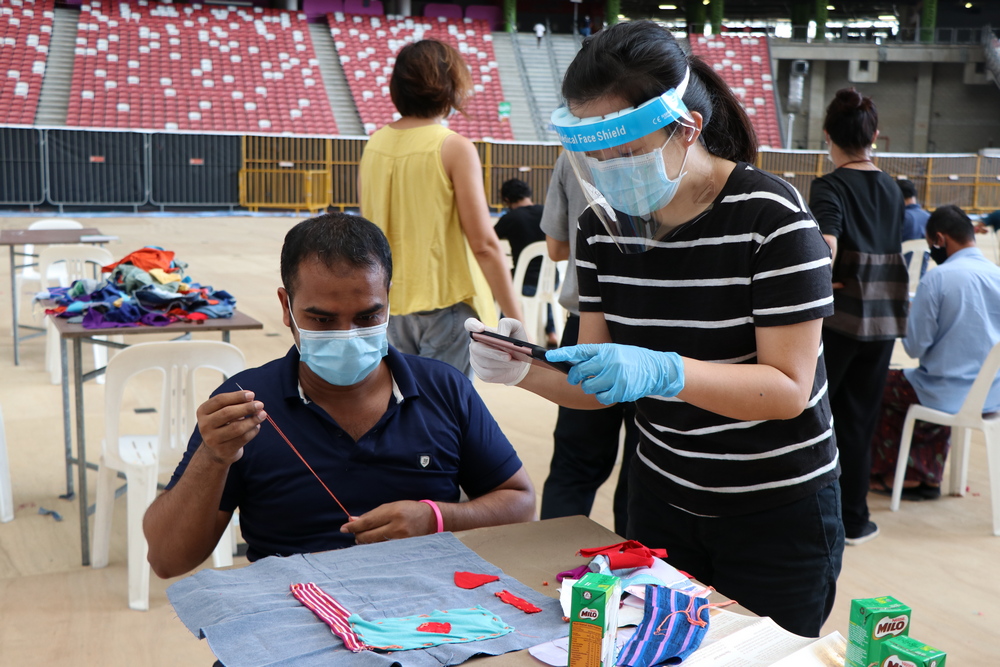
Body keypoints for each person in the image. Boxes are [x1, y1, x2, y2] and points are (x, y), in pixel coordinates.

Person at [466, 21, 841, 638]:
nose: (612, 170)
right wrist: (524, 370)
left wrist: (666, 371)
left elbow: (787, 389)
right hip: (660, 498)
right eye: (598, 157)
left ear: (687, 127)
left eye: (629, 152)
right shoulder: (600, 230)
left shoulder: (772, 220)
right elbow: (597, 379)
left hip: (775, 511)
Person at [143, 213, 535, 577]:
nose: (347, 335)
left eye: (367, 317)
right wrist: (212, 458)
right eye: (322, 319)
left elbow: (519, 503)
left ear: (388, 301)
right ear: (287, 306)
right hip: (292, 620)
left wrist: (437, 519)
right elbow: (167, 559)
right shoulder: (243, 406)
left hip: (426, 618)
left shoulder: (445, 389)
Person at [359, 39, 523, 379]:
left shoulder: (374, 144)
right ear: (451, 85)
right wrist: (517, 321)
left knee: (404, 417)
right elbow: (485, 244)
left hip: (389, 306)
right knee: (445, 422)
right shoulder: (453, 147)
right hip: (448, 304)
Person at [809, 88, 909, 547]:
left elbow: (826, 244)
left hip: (843, 317)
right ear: (873, 137)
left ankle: (817, 513)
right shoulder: (891, 185)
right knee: (861, 418)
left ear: (827, 135)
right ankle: (856, 518)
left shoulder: (830, 185)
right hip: (886, 316)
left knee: (821, 414)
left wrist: (815, 281)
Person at [538, 151, 638, 537]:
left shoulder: (573, 156)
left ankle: (550, 563)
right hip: (654, 327)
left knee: (574, 461)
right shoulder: (669, 143)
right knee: (643, 463)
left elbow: (556, 248)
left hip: (584, 323)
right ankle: (639, 571)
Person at [871, 205, 1000, 499]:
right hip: (991, 394)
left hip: (944, 393)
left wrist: (908, 317)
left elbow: (915, 348)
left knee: (877, 385)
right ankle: (925, 473)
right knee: (919, 384)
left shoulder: (937, 279)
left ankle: (897, 475)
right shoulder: (997, 275)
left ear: (940, 239)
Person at [494, 178, 558, 347]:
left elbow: (490, 241)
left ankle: (505, 331)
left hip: (523, 282)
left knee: (501, 280)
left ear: (507, 200)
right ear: (528, 194)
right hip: (553, 281)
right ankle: (551, 332)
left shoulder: (510, 218)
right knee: (545, 290)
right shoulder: (547, 212)